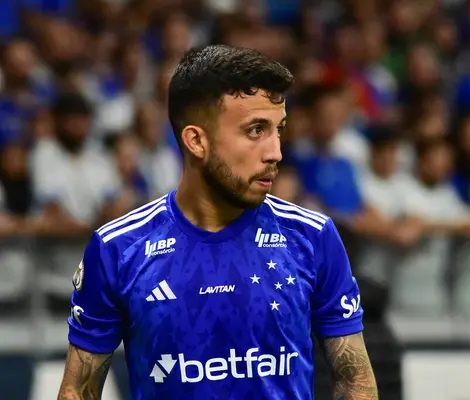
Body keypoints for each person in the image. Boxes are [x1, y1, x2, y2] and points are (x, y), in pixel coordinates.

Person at [57, 45, 377, 400]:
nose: (276, 152)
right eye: (256, 130)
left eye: (278, 130)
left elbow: (355, 381)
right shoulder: (118, 249)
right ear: (196, 140)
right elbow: (77, 392)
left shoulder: (312, 238)